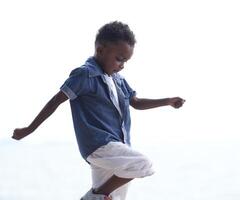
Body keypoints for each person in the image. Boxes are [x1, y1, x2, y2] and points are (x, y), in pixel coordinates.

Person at [12, 21, 185, 200]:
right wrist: (29, 129)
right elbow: (55, 101)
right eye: (119, 58)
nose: (122, 65)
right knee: (142, 165)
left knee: (115, 198)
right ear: (101, 50)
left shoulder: (118, 80)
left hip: (118, 146)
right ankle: (93, 196)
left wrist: (167, 101)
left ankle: (97, 195)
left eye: (125, 61)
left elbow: (137, 102)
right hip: (99, 144)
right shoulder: (84, 75)